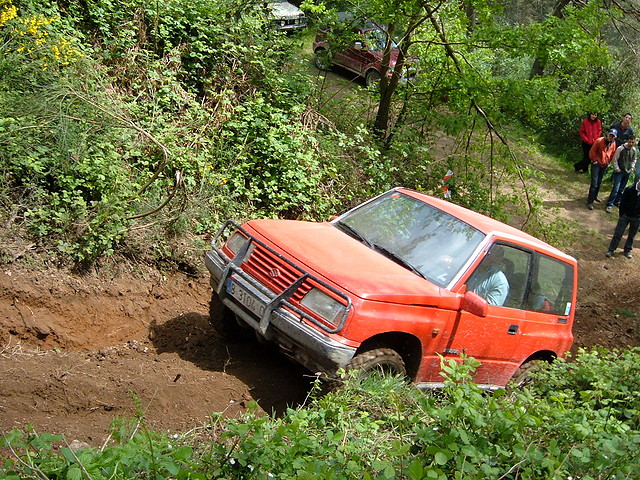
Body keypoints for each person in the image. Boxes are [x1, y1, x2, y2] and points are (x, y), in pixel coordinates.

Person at [605, 180, 640, 259]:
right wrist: (622, 214)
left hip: (637, 218)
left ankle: (627, 250)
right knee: (618, 233)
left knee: (632, 235)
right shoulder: (629, 189)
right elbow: (622, 202)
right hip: (625, 216)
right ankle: (611, 250)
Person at [587, 129, 618, 210]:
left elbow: (612, 153)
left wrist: (608, 161)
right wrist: (594, 160)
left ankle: (595, 196)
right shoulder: (599, 140)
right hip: (596, 164)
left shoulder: (613, 143)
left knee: (599, 182)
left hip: (604, 164)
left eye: (613, 136)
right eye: (610, 135)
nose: (611, 137)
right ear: (607, 134)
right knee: (594, 183)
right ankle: (590, 201)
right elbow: (592, 152)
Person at [605, 135, 637, 213]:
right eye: (629, 141)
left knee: (622, 189)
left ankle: (617, 201)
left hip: (628, 172)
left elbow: (634, 159)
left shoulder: (634, 150)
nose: (631, 143)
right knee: (616, 188)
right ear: (627, 141)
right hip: (620, 172)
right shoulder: (620, 148)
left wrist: (632, 168)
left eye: (632, 142)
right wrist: (617, 169)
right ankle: (609, 204)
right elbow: (614, 159)